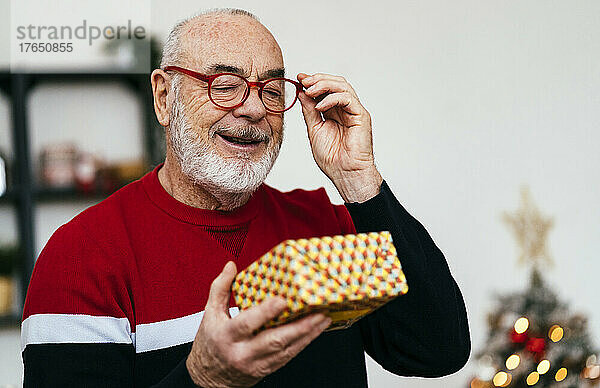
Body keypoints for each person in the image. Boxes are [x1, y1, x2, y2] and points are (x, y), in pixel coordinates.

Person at [21, 8, 470, 388]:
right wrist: (202, 377)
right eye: (223, 83)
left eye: (272, 90)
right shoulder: (79, 255)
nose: (254, 109)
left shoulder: (326, 224)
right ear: (163, 97)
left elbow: (439, 351)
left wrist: (359, 180)